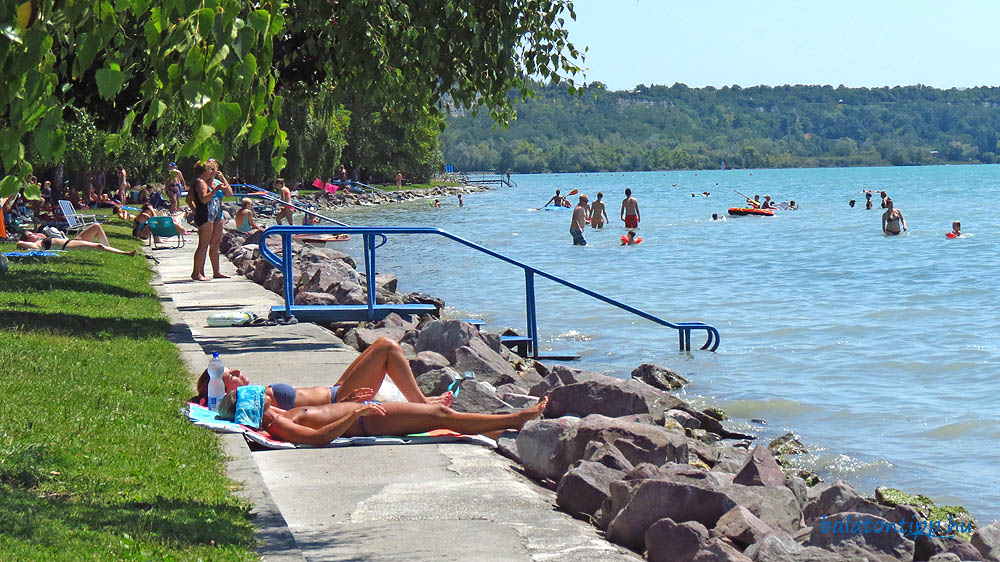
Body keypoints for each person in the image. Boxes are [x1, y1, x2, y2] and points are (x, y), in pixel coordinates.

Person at [216, 388, 548, 445]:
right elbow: (318, 438)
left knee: (440, 415)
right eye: (263, 400)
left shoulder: (281, 416)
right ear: (257, 410)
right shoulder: (280, 423)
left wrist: (346, 402)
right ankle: (516, 419)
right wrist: (354, 413)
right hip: (368, 420)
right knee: (440, 414)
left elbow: (320, 417)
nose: (269, 398)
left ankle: (504, 424)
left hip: (363, 413)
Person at [191, 338, 454, 409]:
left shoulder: (256, 395)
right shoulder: (255, 402)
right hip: (340, 400)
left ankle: (420, 400)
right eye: (230, 375)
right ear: (225, 391)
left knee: (376, 348)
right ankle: (420, 403)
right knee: (387, 346)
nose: (237, 371)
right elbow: (296, 417)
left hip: (336, 391)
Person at [189, 159, 233, 281]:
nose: (213, 171)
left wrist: (223, 178)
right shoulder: (200, 183)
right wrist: (195, 211)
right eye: (211, 168)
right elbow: (200, 199)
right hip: (206, 215)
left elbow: (229, 193)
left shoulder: (217, 182)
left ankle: (216, 271)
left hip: (217, 215)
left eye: (215, 168)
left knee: (215, 244)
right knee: (203, 245)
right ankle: (197, 272)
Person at [17, 224, 135, 255]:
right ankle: (125, 253)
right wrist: (25, 242)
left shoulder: (40, 238)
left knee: (96, 227)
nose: (33, 234)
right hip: (68, 245)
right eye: (30, 234)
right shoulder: (37, 244)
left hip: (72, 240)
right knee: (99, 247)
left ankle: (110, 250)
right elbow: (19, 244)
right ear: (28, 240)